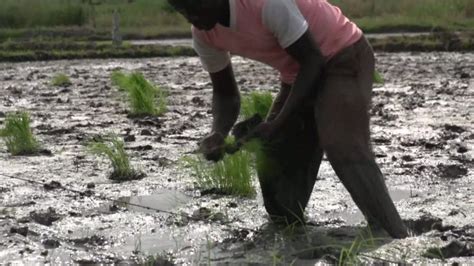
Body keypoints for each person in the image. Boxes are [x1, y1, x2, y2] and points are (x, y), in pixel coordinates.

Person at [168, 0, 409, 238]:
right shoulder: (204, 34)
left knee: (342, 144)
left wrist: (277, 123)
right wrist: (218, 132)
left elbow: (313, 60)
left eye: (196, 6)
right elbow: (225, 93)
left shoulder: (267, 4)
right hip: (299, 73)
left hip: (342, 55)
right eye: (182, 10)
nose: (192, 17)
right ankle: (294, 239)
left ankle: (393, 236)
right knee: (275, 164)